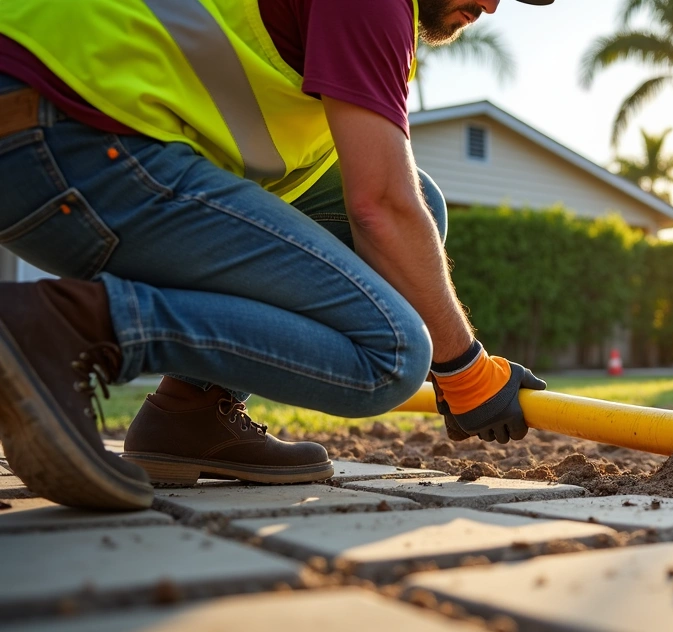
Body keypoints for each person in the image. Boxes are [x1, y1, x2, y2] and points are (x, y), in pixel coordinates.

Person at [0, 0, 555, 511]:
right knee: (391, 358)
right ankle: (65, 326)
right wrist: (465, 372)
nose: (490, 4)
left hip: (79, 127)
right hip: (53, 134)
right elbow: (380, 207)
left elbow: (392, 197)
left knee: (423, 204)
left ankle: (189, 415)